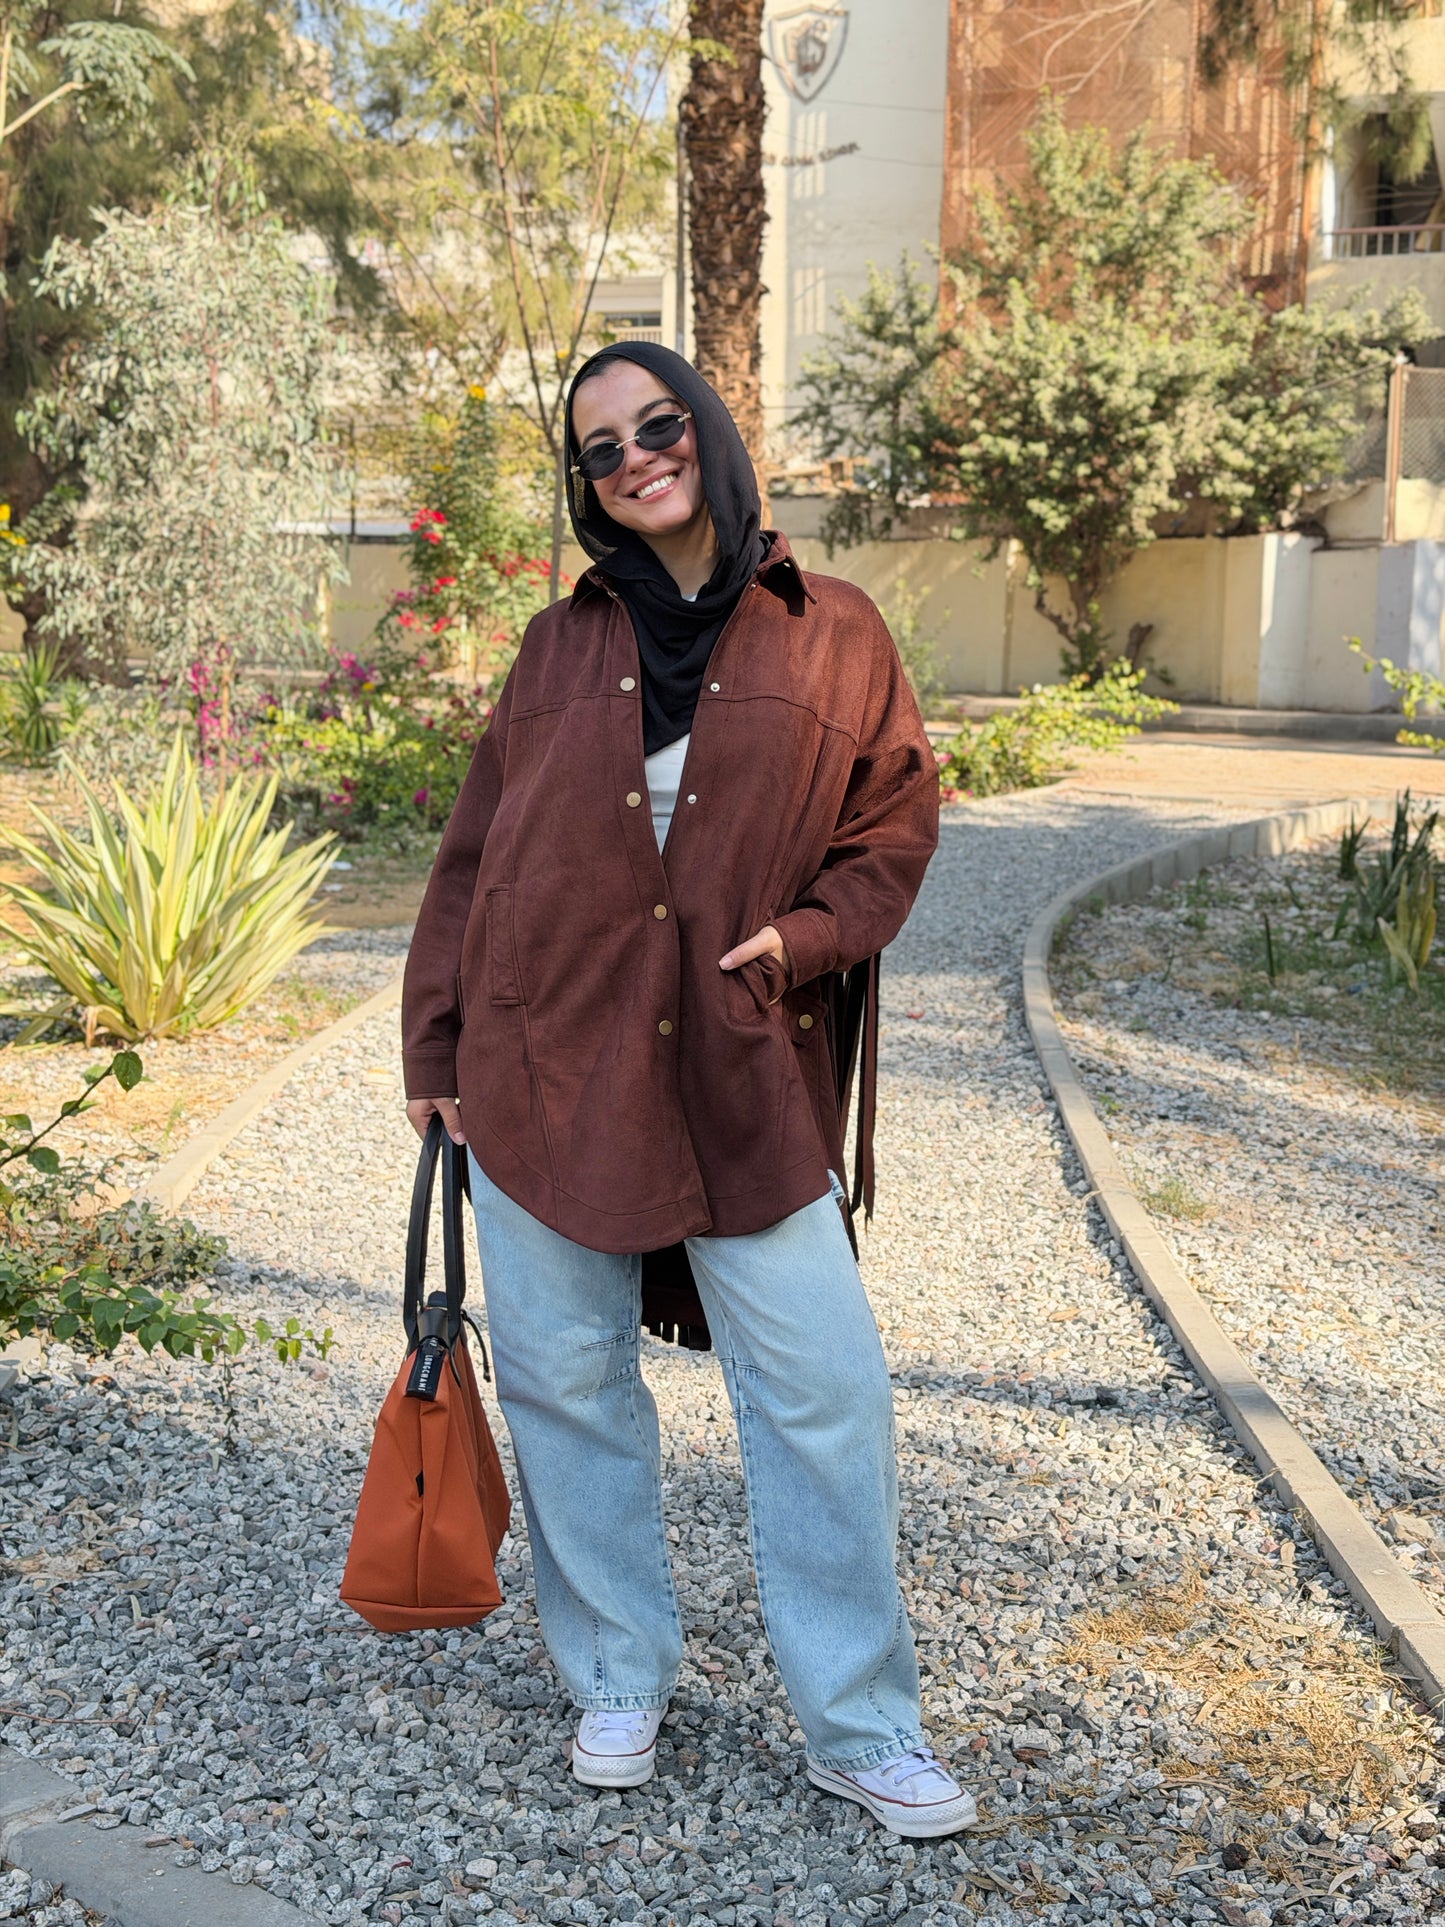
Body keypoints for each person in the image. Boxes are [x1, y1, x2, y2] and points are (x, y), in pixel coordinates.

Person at [401, 343, 973, 1839]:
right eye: (598, 449)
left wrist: (812, 939)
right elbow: (473, 857)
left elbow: (893, 823)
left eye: (656, 426)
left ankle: (859, 1722)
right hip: (545, 1060)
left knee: (824, 1396)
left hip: (743, 1060)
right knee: (567, 1383)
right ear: (584, 487)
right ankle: (614, 1675)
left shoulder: (833, 630)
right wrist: (434, 1050)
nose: (634, 457)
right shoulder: (550, 649)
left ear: (706, 430)